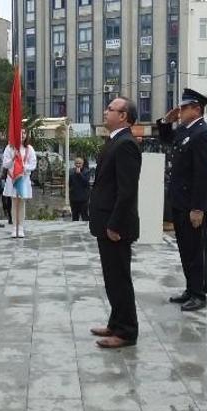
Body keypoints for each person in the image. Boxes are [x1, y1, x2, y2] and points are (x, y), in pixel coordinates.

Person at [157, 89, 207, 312]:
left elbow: (204, 176)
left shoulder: (203, 134)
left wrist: (198, 208)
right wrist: (166, 121)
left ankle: (199, 293)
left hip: (193, 204)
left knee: (196, 250)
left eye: (184, 108)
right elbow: (166, 139)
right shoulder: (185, 131)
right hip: (180, 201)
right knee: (186, 249)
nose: (180, 112)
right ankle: (191, 289)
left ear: (197, 109)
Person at [88, 96, 142, 349]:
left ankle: (126, 331)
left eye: (111, 109)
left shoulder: (126, 144)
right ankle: (116, 321)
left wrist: (115, 224)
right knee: (112, 277)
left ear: (123, 116)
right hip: (105, 221)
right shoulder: (115, 141)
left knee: (120, 278)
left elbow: (127, 190)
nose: (106, 111)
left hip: (116, 226)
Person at [2, 131, 37, 238]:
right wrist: (13, 158)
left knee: (21, 203)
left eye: (24, 134)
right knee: (13, 203)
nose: (22, 136)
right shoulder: (9, 148)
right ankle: (14, 227)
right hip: (12, 178)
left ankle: (21, 227)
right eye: (20, 133)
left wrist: (23, 167)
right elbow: (5, 164)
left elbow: (33, 164)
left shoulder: (29, 148)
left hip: (23, 178)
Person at [69, 157, 90, 221]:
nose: (78, 165)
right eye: (76, 163)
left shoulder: (86, 171)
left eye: (79, 163)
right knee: (75, 217)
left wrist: (79, 174)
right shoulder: (72, 171)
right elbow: (70, 183)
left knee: (84, 216)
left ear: (82, 164)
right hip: (74, 198)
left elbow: (86, 182)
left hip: (83, 199)